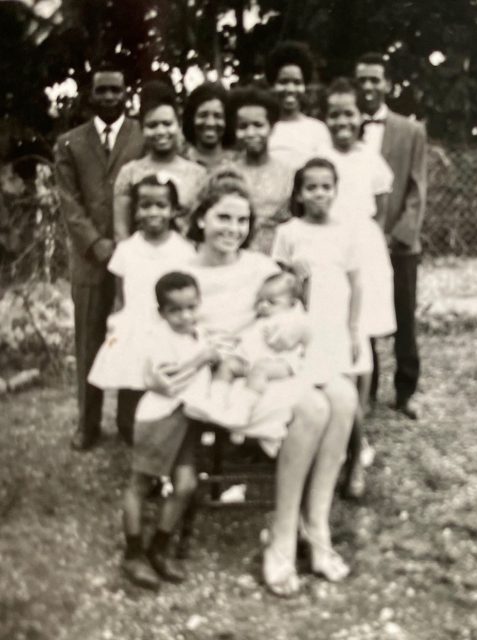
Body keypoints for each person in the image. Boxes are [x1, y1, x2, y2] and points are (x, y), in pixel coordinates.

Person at [185, 180, 357, 596]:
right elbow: (168, 333)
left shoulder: (261, 268)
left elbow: (296, 311)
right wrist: (213, 350)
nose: (233, 228)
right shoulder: (184, 273)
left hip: (270, 364)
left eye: (243, 219)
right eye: (223, 217)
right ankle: (281, 536)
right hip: (219, 380)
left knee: (345, 396)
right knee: (313, 407)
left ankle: (315, 524)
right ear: (201, 218)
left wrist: (297, 323)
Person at [54, 65, 144, 451]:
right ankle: (87, 423)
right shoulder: (70, 143)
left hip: (135, 259)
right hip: (90, 260)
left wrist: (130, 245)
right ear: (91, 95)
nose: (109, 97)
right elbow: (68, 201)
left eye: (116, 90)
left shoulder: (141, 136)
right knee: (89, 341)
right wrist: (95, 243)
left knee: (132, 337)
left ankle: (129, 421)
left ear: (126, 93)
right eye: (102, 91)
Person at [321, 78, 397, 496]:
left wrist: (369, 243)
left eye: (348, 113)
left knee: (361, 342)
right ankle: (344, 435)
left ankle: (358, 431)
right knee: (333, 337)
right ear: (325, 118)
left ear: (360, 117)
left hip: (363, 254)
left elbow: (381, 208)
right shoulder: (319, 158)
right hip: (330, 251)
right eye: (334, 114)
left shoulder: (371, 159)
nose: (342, 121)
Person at [121, 271, 218, 590]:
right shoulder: (159, 338)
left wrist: (212, 357)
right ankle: (133, 554)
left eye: (191, 307)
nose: (185, 315)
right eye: (175, 310)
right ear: (161, 312)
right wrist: (202, 358)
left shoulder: (197, 333)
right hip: (159, 417)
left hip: (187, 418)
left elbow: (210, 359)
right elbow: (168, 381)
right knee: (139, 483)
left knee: (186, 484)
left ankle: (158, 549)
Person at [88, 175, 196, 434]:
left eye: (161, 205)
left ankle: (163, 423)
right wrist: (117, 325)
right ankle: (127, 425)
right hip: (134, 322)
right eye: (145, 205)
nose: (153, 212)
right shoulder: (126, 250)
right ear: (135, 211)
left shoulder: (184, 250)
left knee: (165, 375)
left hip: (167, 324)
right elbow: (119, 296)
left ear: (173, 210)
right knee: (132, 374)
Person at [355, 52, 427, 420]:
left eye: (374, 80)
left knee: (403, 317)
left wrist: (395, 235)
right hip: (356, 242)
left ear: (387, 85)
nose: (367, 86)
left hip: (399, 244)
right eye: (361, 80)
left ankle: (405, 392)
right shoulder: (345, 126)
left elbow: (416, 189)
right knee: (359, 314)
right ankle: (365, 389)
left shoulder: (410, 130)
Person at [271, 157, 364, 386]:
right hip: (305, 317)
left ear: (335, 191)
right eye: (311, 188)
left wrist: (352, 329)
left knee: (342, 380)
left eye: (326, 187)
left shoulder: (346, 232)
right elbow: (278, 282)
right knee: (308, 379)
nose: (320, 193)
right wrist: (294, 276)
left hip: (337, 318)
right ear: (300, 195)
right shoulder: (288, 231)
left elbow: (356, 284)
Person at [183, 271, 309, 437]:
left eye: (272, 302)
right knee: (228, 365)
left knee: (259, 370)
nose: (263, 305)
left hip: (281, 364)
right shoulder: (263, 318)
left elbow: (300, 333)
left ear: (292, 303)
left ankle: (242, 412)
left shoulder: (291, 317)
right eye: (260, 300)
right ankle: (215, 404)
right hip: (253, 360)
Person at [113, 80, 206, 240]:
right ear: (142, 129)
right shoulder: (129, 173)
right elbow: (121, 231)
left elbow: (203, 228)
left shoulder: (198, 174)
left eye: (167, 124)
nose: (161, 131)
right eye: (152, 125)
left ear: (178, 125)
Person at [227, 86, 295, 254]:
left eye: (258, 125)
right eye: (243, 126)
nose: (251, 133)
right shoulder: (227, 173)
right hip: (236, 254)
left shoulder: (289, 174)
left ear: (271, 128)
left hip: (278, 255)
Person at [265, 41, 331, 169]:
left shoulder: (317, 130)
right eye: (283, 82)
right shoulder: (263, 128)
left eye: (297, 82)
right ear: (273, 85)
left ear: (304, 86)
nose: (290, 89)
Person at [182, 81, 235, 170]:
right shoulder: (182, 161)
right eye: (203, 115)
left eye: (218, 116)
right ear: (191, 119)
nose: (210, 123)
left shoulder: (237, 162)